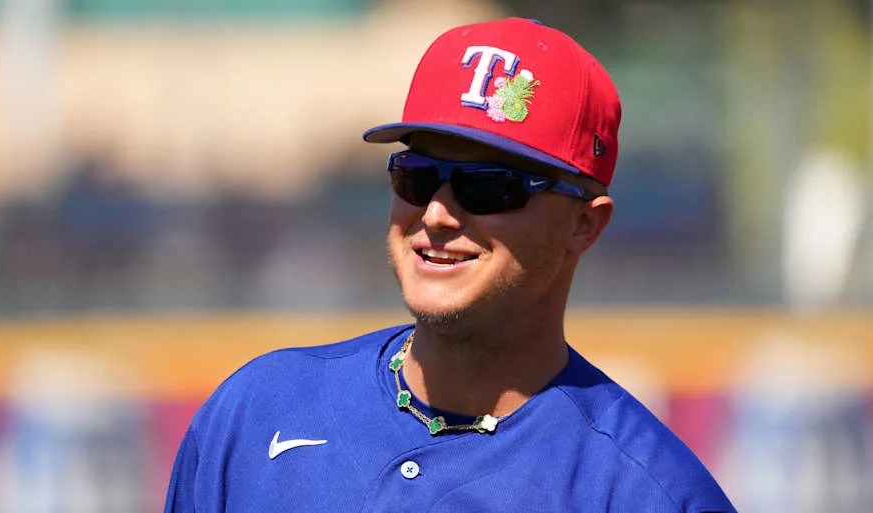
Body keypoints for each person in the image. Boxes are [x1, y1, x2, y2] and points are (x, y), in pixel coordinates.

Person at [165, 18, 736, 512]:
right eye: (415, 175)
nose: (437, 212)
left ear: (584, 224)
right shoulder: (257, 408)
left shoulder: (646, 493)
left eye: (489, 186)